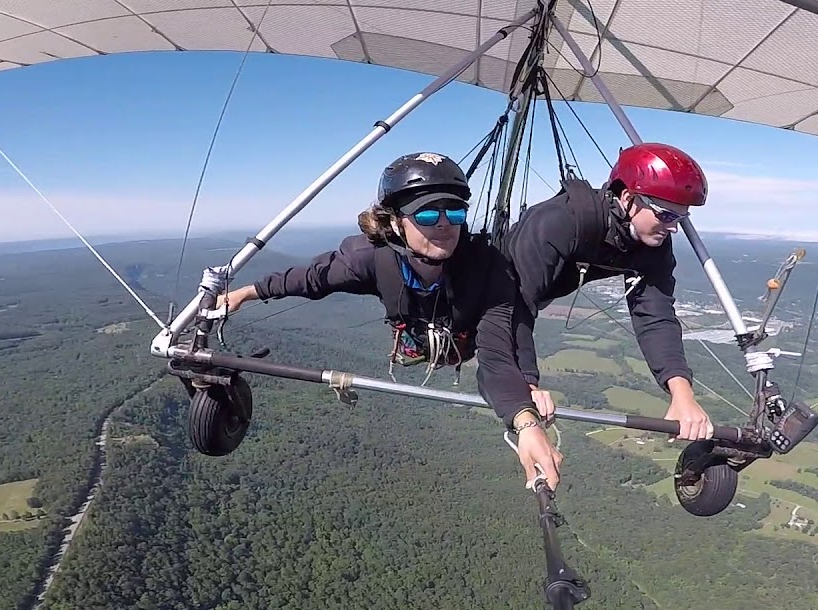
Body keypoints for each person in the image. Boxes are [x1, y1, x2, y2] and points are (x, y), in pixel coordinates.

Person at [213, 151, 565, 487]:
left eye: (454, 212)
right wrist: (246, 293)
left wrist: (525, 414)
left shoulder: (485, 267)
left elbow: (497, 350)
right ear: (396, 223)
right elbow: (310, 278)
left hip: (464, 338)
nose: (444, 225)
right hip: (416, 332)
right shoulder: (371, 259)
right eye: (427, 215)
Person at [502, 142, 714, 442]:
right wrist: (525, 386)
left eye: (682, 218)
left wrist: (682, 393)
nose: (674, 228)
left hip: (528, 298)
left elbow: (655, 317)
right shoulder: (560, 222)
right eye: (666, 215)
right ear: (628, 198)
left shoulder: (650, 241)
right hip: (492, 295)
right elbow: (516, 303)